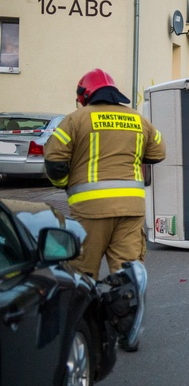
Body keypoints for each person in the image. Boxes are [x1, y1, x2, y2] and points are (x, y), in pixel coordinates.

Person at [43, 69, 166, 349]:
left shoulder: (74, 120)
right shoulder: (138, 119)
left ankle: (79, 332)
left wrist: (66, 184)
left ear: (85, 95)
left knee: (81, 272)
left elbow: (54, 162)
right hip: (132, 208)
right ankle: (127, 328)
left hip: (90, 209)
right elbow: (158, 152)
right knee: (127, 269)